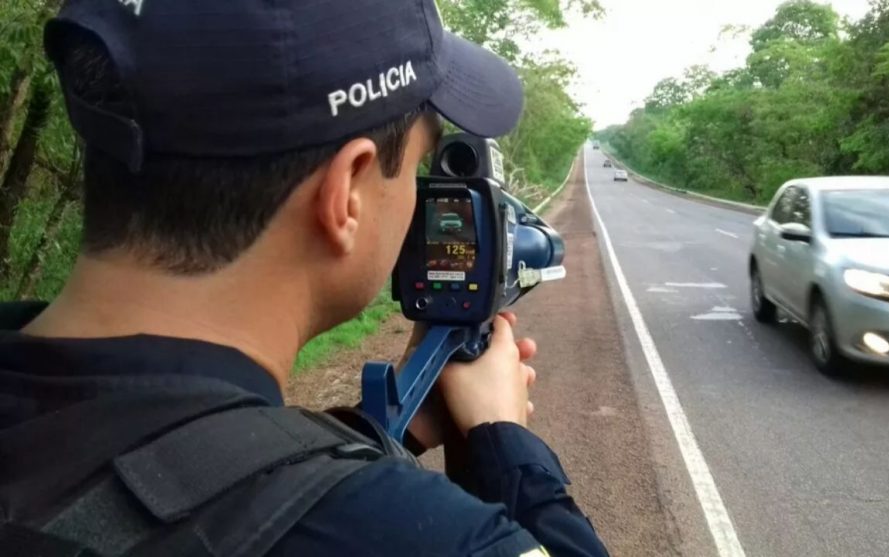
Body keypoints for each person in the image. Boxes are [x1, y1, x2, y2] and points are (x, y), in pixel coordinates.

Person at [0, 0, 610, 556]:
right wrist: (505, 445)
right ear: (346, 193)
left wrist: (384, 431)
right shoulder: (426, 539)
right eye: (419, 170)